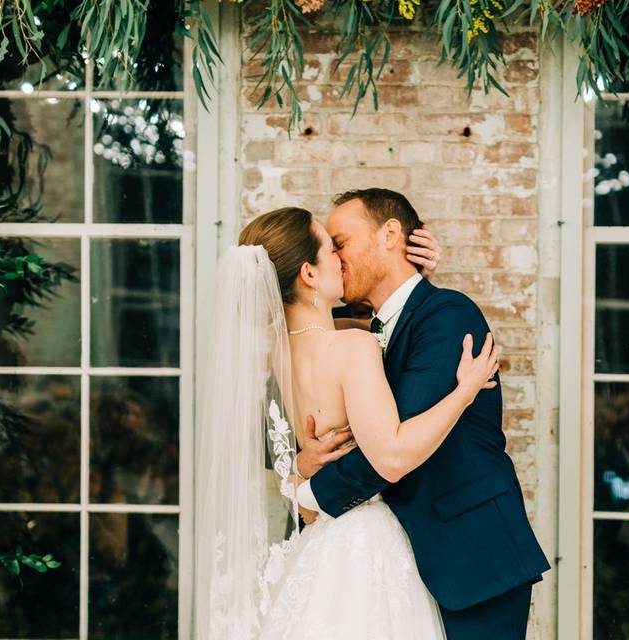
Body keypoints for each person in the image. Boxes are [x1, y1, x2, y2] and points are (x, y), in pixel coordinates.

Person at [196, 204, 498, 640]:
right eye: (331, 250)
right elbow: (391, 457)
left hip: (320, 540)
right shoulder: (352, 346)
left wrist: (415, 277)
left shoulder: (280, 358)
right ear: (309, 274)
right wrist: (463, 393)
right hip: (366, 543)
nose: (342, 259)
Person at [295, 189, 550, 640]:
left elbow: (389, 452)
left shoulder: (448, 316)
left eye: (341, 242)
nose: (335, 257)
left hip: (470, 559)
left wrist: (310, 492)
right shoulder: (353, 331)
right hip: (398, 566)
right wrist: (302, 459)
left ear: (390, 234)